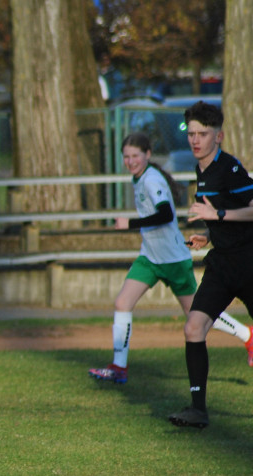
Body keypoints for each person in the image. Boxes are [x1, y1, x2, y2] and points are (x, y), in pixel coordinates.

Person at [89, 132, 253, 385]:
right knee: (123, 303)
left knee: (196, 314)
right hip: (150, 258)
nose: (130, 161)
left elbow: (166, 215)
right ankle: (119, 367)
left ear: (147, 155)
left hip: (173, 259)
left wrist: (130, 223)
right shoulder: (139, 177)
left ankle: (247, 335)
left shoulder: (151, 180)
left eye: (135, 156)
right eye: (126, 157)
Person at [168, 101, 253, 429]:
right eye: (191, 134)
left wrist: (216, 215)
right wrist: (207, 233)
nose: (195, 140)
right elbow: (221, 214)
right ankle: (197, 410)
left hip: (248, 262)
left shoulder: (230, 168)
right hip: (222, 264)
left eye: (202, 134)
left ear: (218, 136)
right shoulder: (200, 169)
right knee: (193, 327)